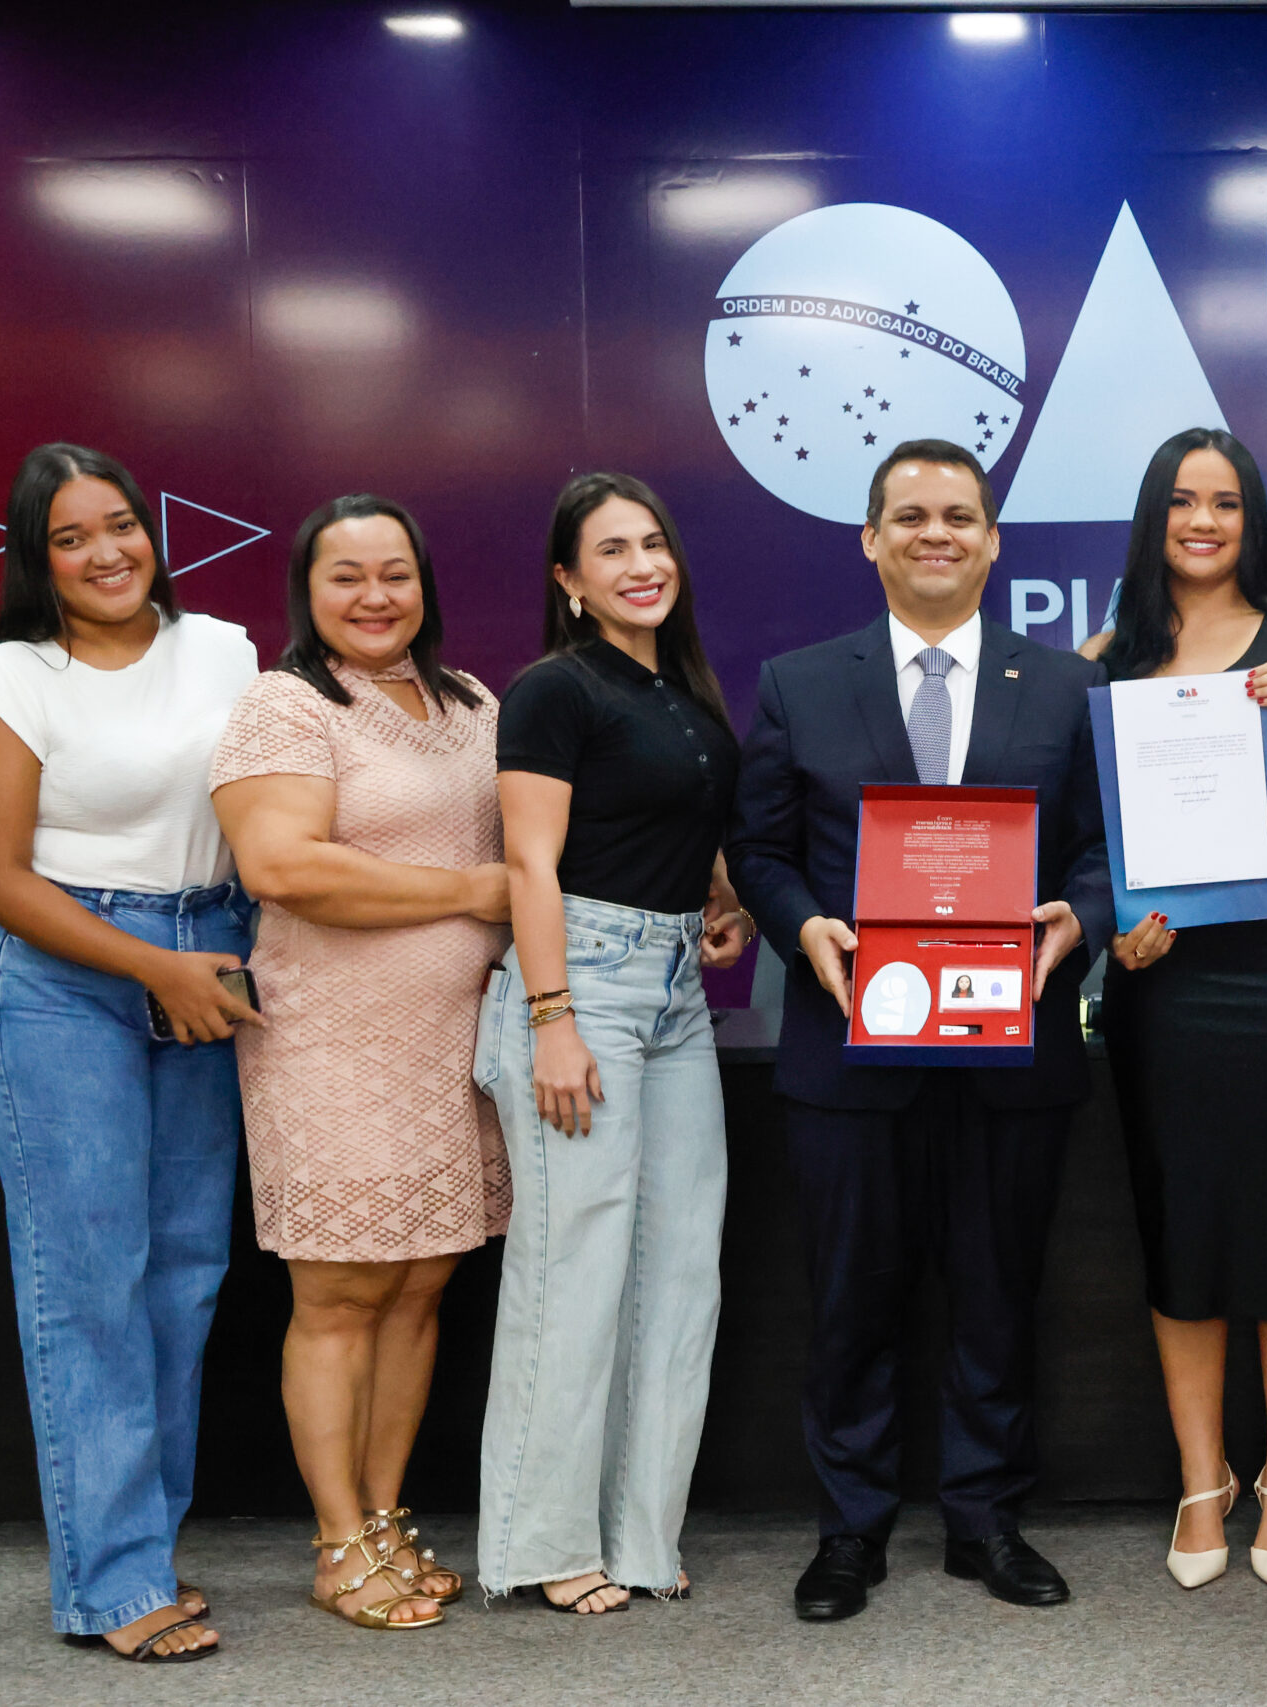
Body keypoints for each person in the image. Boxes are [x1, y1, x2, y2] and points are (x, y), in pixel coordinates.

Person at [728, 439, 1112, 1621]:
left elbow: (1103, 850)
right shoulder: (799, 682)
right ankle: (850, 1528)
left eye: (957, 515)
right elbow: (759, 849)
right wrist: (803, 928)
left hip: (1013, 1047)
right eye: (910, 516)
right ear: (870, 539)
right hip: (851, 1048)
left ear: (993, 541)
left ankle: (984, 1520)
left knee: (997, 1294)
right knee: (852, 1298)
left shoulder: (1065, 687)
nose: (934, 533)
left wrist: (1079, 921)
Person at [0, 444, 259, 1662]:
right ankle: (113, 1581)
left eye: (119, 524)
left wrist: (201, 962)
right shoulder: (10, 679)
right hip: (66, 980)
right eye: (70, 538)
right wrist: (150, 968)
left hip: (208, 959)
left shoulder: (223, 651)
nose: (106, 552)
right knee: (90, 1284)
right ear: (39, 559)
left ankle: (142, 1553)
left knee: (183, 1276)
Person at [1078, 428, 1267, 1591]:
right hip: (1164, 987)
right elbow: (1089, 846)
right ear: (1152, 518)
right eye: (1181, 502)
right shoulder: (1106, 663)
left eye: (1225, 502)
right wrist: (1115, 935)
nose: (1202, 522)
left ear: (1252, 519)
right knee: (1181, 1231)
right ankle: (1202, 1479)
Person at [208, 495, 512, 1630]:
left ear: (424, 583)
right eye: (347, 576)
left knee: (421, 1280)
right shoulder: (285, 705)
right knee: (341, 1291)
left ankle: (386, 1524)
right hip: (333, 1043)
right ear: (307, 590)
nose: (375, 596)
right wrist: (471, 892)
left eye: (396, 573)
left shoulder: (471, 701)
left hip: (456, 1045)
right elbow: (284, 867)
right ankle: (339, 1545)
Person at [476, 472, 752, 1614]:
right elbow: (530, 862)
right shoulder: (552, 689)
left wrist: (723, 901)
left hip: (676, 990)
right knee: (573, 1267)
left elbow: (677, 828)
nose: (643, 565)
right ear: (569, 580)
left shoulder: (682, 691)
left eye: (654, 543)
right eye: (612, 550)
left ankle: (641, 1532)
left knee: (681, 1269)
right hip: (579, 983)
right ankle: (546, 1544)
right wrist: (553, 1021)